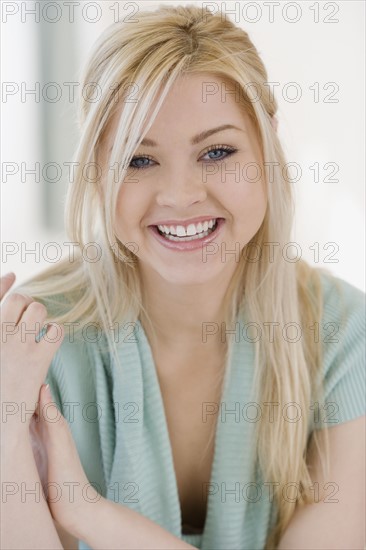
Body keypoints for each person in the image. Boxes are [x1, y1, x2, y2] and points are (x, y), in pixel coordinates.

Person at [1, 4, 365, 550]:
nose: (179, 196)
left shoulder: (341, 333)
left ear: (267, 145)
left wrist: (90, 513)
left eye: (217, 152)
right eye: (138, 160)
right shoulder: (31, 345)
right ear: (97, 171)